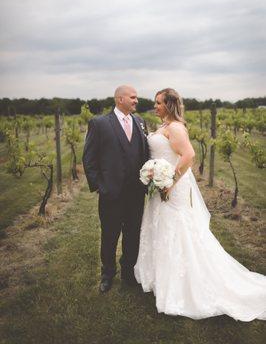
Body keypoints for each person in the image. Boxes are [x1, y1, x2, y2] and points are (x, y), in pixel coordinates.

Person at [134, 88, 266, 321]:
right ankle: (162, 277)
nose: (155, 106)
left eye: (159, 103)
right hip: (160, 185)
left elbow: (188, 155)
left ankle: (183, 284)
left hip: (172, 188)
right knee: (162, 228)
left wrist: (170, 182)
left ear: (170, 104)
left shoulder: (175, 127)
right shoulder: (164, 126)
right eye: (155, 103)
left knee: (177, 229)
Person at [83, 85, 149, 293]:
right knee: (110, 235)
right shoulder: (100, 123)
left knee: (132, 234)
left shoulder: (140, 122)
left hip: (136, 194)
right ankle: (108, 274)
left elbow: (143, 154)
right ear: (120, 99)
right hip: (111, 193)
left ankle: (128, 272)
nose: (136, 101)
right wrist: (100, 187)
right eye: (133, 97)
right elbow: (89, 159)